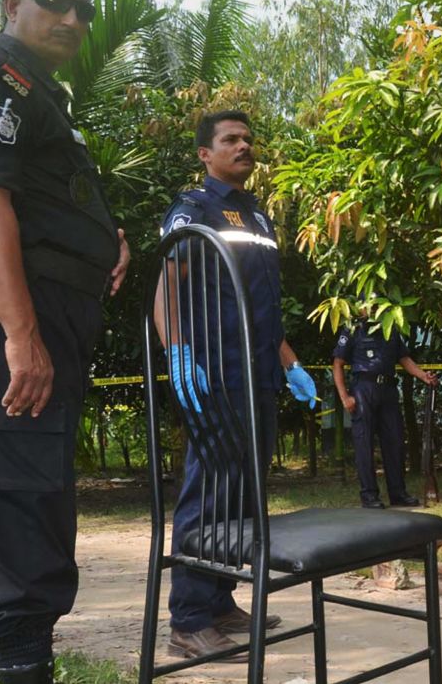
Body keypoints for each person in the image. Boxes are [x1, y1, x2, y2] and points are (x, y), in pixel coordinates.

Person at [0, 0, 131, 684]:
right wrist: (22, 335)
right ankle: (22, 665)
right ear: (12, 5)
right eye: (55, 3)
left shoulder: (40, 94)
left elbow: (40, 198)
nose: (74, 20)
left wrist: (100, 236)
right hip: (9, 320)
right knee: (21, 507)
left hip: (27, 316)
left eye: (83, 9)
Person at [153, 110, 317, 661]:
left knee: (245, 495)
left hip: (260, 376)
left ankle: (221, 601)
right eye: (230, 140)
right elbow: (167, 288)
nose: (243, 146)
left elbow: (263, 307)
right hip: (215, 375)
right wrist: (177, 354)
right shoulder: (193, 210)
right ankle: (189, 620)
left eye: (248, 138)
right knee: (210, 491)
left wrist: (290, 362)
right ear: (205, 154)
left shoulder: (258, 216)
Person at [332, 315, 437, 508]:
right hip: (363, 388)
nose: (372, 310)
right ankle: (369, 496)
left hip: (388, 389)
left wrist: (423, 376)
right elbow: (338, 364)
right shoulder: (352, 329)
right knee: (364, 445)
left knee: (395, 442)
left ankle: (398, 493)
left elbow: (404, 358)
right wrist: (344, 397)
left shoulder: (390, 327)